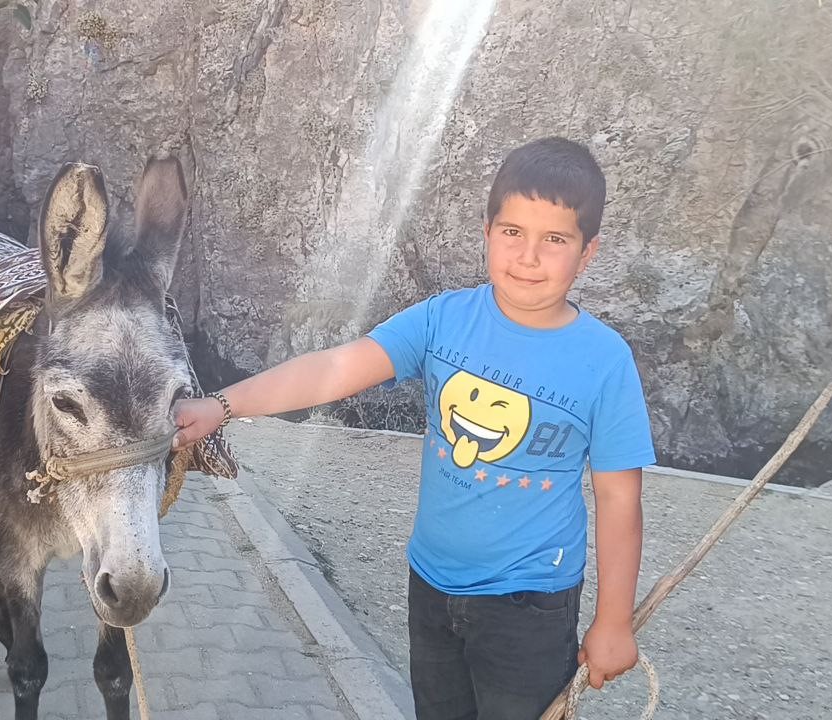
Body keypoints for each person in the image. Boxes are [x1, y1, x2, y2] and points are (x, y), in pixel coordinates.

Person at [172, 136, 656, 719]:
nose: (528, 256)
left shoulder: (605, 360)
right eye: (512, 232)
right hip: (430, 584)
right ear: (487, 231)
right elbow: (336, 369)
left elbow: (619, 498)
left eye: (554, 239)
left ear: (588, 252)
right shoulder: (442, 319)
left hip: (529, 606)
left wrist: (612, 621)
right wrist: (222, 405)